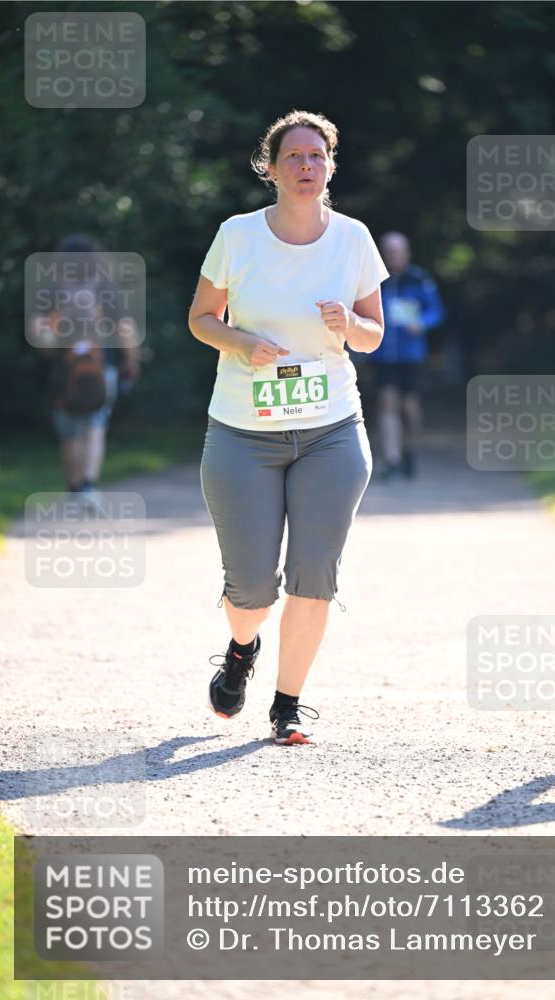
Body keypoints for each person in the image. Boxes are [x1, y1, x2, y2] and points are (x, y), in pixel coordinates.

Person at [188, 110, 389, 746]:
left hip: (331, 429)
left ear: (330, 167)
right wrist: (241, 342)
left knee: (314, 572)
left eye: (317, 156)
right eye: (294, 156)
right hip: (243, 432)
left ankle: (288, 704)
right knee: (250, 588)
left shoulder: (353, 238)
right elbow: (200, 318)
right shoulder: (237, 236)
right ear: (270, 169)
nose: (307, 166)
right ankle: (242, 650)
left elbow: (375, 333)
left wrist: (347, 329)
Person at [29, 233, 140, 508]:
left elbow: (37, 329)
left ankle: (74, 488)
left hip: (63, 368)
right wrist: (131, 360)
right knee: (95, 424)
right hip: (101, 365)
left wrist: (49, 348)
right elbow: (125, 328)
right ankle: (89, 484)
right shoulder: (104, 287)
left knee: (69, 430)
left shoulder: (52, 288)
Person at [368, 231, 444, 479]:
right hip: (383, 356)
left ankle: (409, 449)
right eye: (388, 251)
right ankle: (391, 459)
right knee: (386, 403)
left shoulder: (420, 279)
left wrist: (421, 322)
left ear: (406, 252)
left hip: (411, 355)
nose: (393, 256)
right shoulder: (374, 279)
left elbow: (436, 311)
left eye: (396, 251)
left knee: (409, 407)